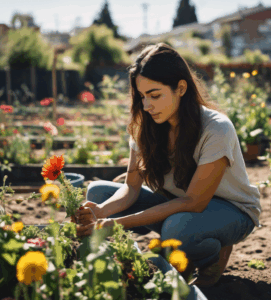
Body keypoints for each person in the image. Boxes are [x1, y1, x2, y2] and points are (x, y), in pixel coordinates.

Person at [75, 43, 261, 288]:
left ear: (181, 88)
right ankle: (184, 240)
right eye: (142, 96)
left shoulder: (216, 128)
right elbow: (130, 188)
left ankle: (213, 253)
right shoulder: (146, 126)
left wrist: (116, 223)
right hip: (179, 204)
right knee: (98, 192)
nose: (146, 105)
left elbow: (194, 202)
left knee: (177, 228)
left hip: (231, 211)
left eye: (155, 95)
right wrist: (99, 212)